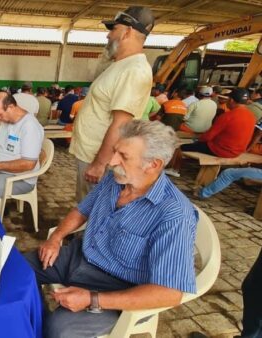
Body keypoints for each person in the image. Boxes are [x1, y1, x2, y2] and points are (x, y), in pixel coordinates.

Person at [24, 120, 197, 338]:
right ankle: (33, 321)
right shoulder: (116, 179)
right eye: (115, 152)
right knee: (16, 270)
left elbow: (170, 292)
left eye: (123, 156)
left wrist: (92, 299)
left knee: (60, 330)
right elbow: (82, 210)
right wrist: (56, 237)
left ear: (153, 164)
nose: (112, 161)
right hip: (79, 256)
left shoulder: (174, 214)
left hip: (118, 286)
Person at [69, 6, 154, 202]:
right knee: (86, 204)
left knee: (98, 208)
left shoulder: (134, 70)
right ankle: (84, 232)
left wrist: (100, 163)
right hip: (90, 153)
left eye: (113, 29)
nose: (108, 36)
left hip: (101, 159)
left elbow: (121, 124)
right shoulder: (119, 66)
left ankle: (89, 233)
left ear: (127, 32)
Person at [166, 88, 257, 177]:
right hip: (238, 151)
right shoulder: (251, 116)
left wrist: (198, 140)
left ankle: (174, 169)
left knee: (181, 147)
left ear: (232, 100)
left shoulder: (228, 116)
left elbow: (208, 136)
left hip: (220, 150)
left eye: (228, 99)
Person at [0, 91, 44, 200]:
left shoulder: (30, 126)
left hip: (19, 178)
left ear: (10, 107)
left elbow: (29, 164)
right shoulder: (6, 122)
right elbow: (0, 146)